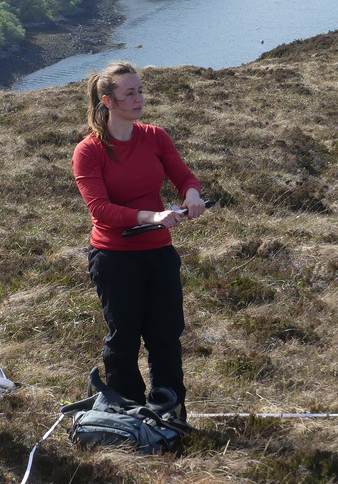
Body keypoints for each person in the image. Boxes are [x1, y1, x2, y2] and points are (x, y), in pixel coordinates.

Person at [72, 61, 206, 418]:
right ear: (108, 101)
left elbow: (183, 176)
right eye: (129, 92)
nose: (139, 98)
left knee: (165, 336)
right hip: (115, 258)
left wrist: (192, 195)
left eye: (140, 90)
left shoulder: (155, 136)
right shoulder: (89, 150)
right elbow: (100, 209)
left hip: (158, 253)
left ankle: (169, 412)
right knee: (124, 339)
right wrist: (152, 216)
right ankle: (125, 413)